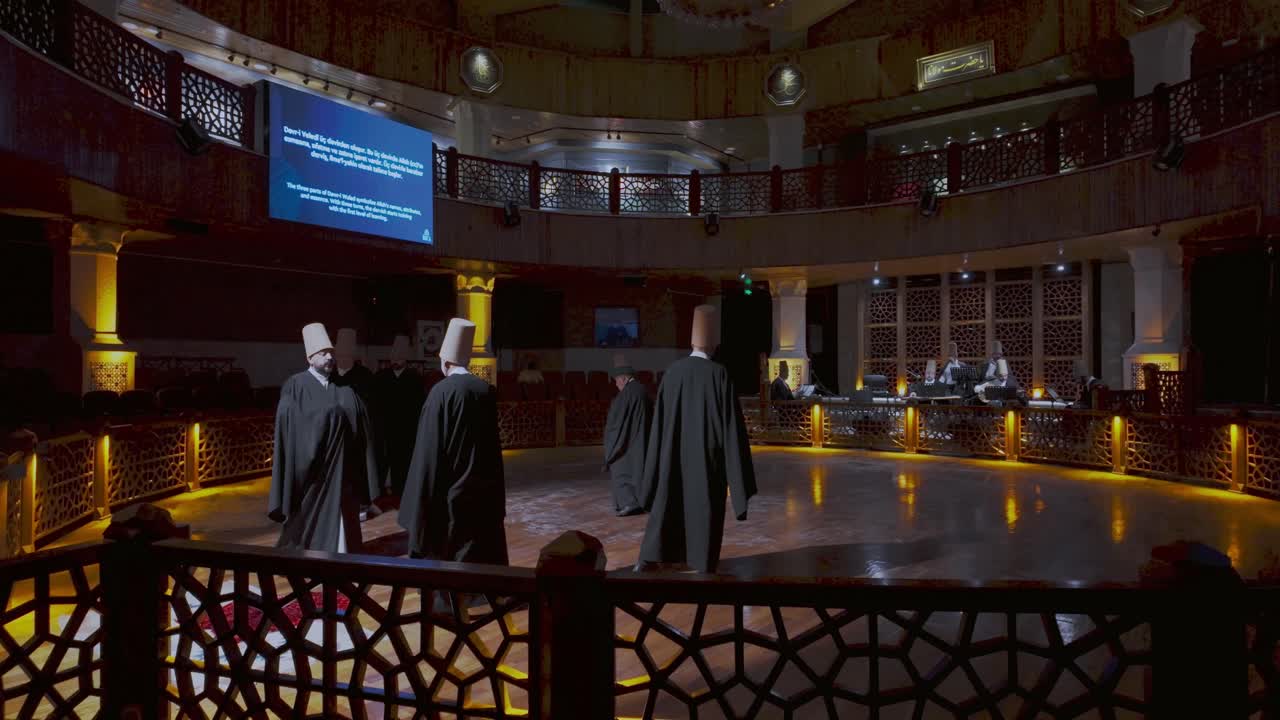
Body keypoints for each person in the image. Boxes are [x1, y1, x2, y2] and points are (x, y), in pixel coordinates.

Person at [635, 305, 756, 574]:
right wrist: (739, 484)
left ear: (692, 339)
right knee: (704, 513)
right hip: (706, 462)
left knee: (667, 507)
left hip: (672, 458)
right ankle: (702, 565)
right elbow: (731, 428)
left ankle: (652, 558)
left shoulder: (673, 372)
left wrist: (652, 471)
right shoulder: (718, 374)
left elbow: (660, 426)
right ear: (714, 342)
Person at [398, 318, 508, 565]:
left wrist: (417, 503)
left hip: (451, 490)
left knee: (451, 549)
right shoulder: (485, 390)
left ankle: (453, 598)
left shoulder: (441, 392)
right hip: (482, 488)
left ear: (445, 361)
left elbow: (429, 450)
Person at [268, 323, 379, 553]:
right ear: (310, 358)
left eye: (331, 353)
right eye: (323, 353)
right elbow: (291, 427)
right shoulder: (296, 386)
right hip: (312, 475)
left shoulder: (344, 388)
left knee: (345, 531)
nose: (330, 357)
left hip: (343, 473)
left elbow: (360, 425)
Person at [332, 327, 380, 517]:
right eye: (340, 355)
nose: (343, 359)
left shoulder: (365, 375)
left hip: (359, 435)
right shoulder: (331, 377)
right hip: (336, 435)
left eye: (346, 355)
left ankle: (364, 503)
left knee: (361, 469)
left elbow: (373, 406)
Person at [374, 336, 425, 497]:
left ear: (406, 359)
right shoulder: (381, 377)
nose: (396, 360)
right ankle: (379, 493)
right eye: (394, 357)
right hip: (384, 430)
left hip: (406, 431)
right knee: (381, 463)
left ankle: (401, 492)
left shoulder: (415, 379)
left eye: (400, 357)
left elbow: (419, 407)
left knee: (403, 464)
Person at [603, 356, 651, 517]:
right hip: (642, 439)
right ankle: (642, 501)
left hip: (627, 442)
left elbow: (616, 423)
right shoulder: (642, 390)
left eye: (616, 381)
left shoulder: (625, 395)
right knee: (639, 469)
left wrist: (611, 444)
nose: (616, 384)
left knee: (620, 468)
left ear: (623, 379)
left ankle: (629, 503)